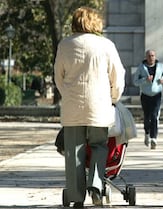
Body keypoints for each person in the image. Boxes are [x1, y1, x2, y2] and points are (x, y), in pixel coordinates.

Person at [54, 6, 125, 208]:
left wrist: (67, 94)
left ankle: (77, 196)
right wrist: (113, 97)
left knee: (74, 151)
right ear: (96, 22)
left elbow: (58, 76)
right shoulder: (106, 45)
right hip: (99, 105)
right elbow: (117, 77)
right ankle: (95, 184)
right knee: (99, 146)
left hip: (72, 106)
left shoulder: (65, 45)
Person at [133, 49, 163, 149]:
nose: (151, 58)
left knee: (154, 116)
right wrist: (145, 80)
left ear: (155, 57)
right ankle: (147, 133)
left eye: (152, 56)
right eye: (149, 56)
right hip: (145, 95)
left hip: (157, 94)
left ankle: (154, 138)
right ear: (146, 57)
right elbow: (135, 82)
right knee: (147, 116)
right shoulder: (141, 67)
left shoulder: (161, 66)